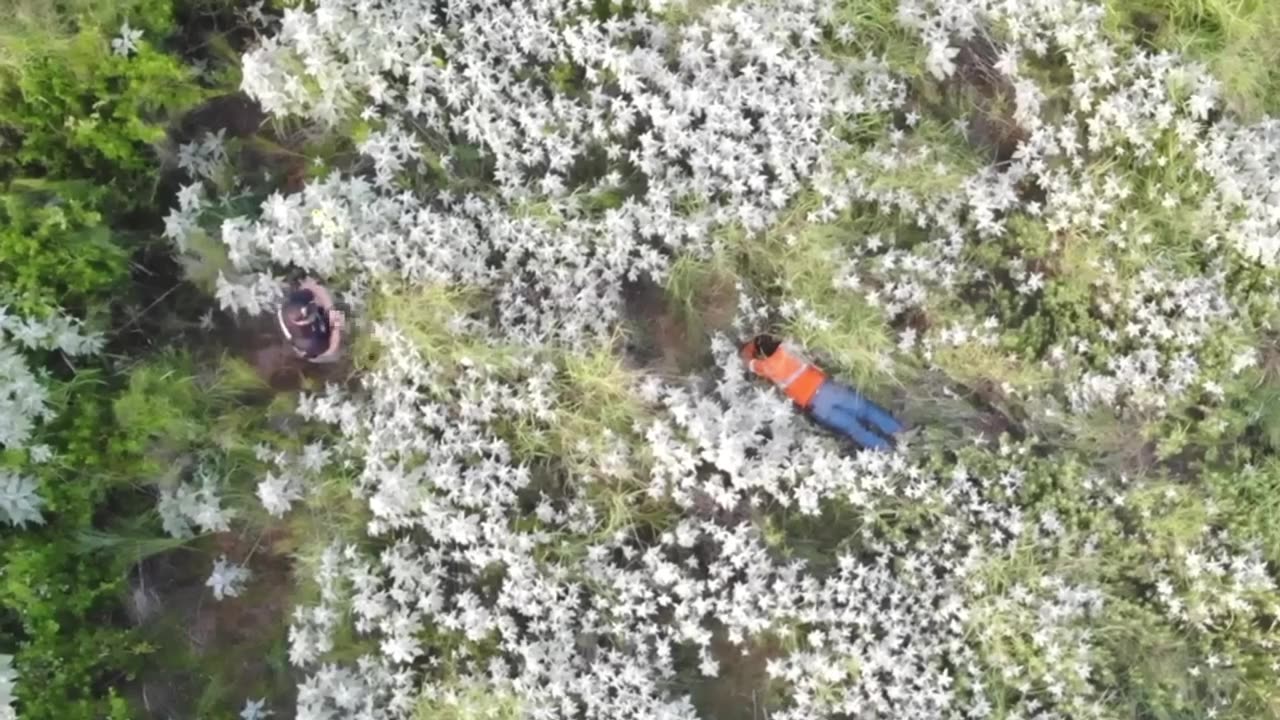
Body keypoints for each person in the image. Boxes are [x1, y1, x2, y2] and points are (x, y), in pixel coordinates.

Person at [741, 334, 903, 450]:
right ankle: (899, 433)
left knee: (853, 429)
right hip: (829, 389)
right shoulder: (789, 348)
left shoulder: (767, 367)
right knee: (865, 409)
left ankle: (884, 450)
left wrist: (752, 345)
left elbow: (746, 360)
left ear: (763, 355)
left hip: (816, 405)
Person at [277, 278, 344, 364]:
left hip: (310, 328)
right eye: (310, 315)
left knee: (332, 307)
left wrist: (328, 305)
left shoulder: (293, 305)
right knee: (340, 315)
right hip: (322, 349)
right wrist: (336, 320)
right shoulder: (307, 342)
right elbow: (333, 347)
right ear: (303, 323)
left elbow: (311, 287)